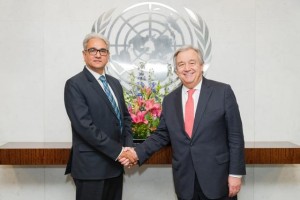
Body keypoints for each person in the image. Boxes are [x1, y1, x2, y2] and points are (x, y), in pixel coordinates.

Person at [121, 45, 246, 200]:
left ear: (201, 66)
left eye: (192, 63)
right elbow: (161, 135)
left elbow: (235, 136)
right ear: (176, 71)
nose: (187, 68)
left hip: (218, 179)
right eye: (181, 64)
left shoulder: (223, 92)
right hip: (185, 182)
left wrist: (235, 174)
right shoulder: (170, 100)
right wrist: (136, 153)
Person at [64, 32, 135, 200]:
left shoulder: (115, 83)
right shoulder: (75, 84)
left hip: (115, 166)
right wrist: (119, 152)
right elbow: (85, 127)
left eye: (102, 51)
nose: (98, 54)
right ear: (84, 54)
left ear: (108, 55)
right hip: (91, 168)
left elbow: (125, 119)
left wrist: (129, 148)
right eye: (92, 50)